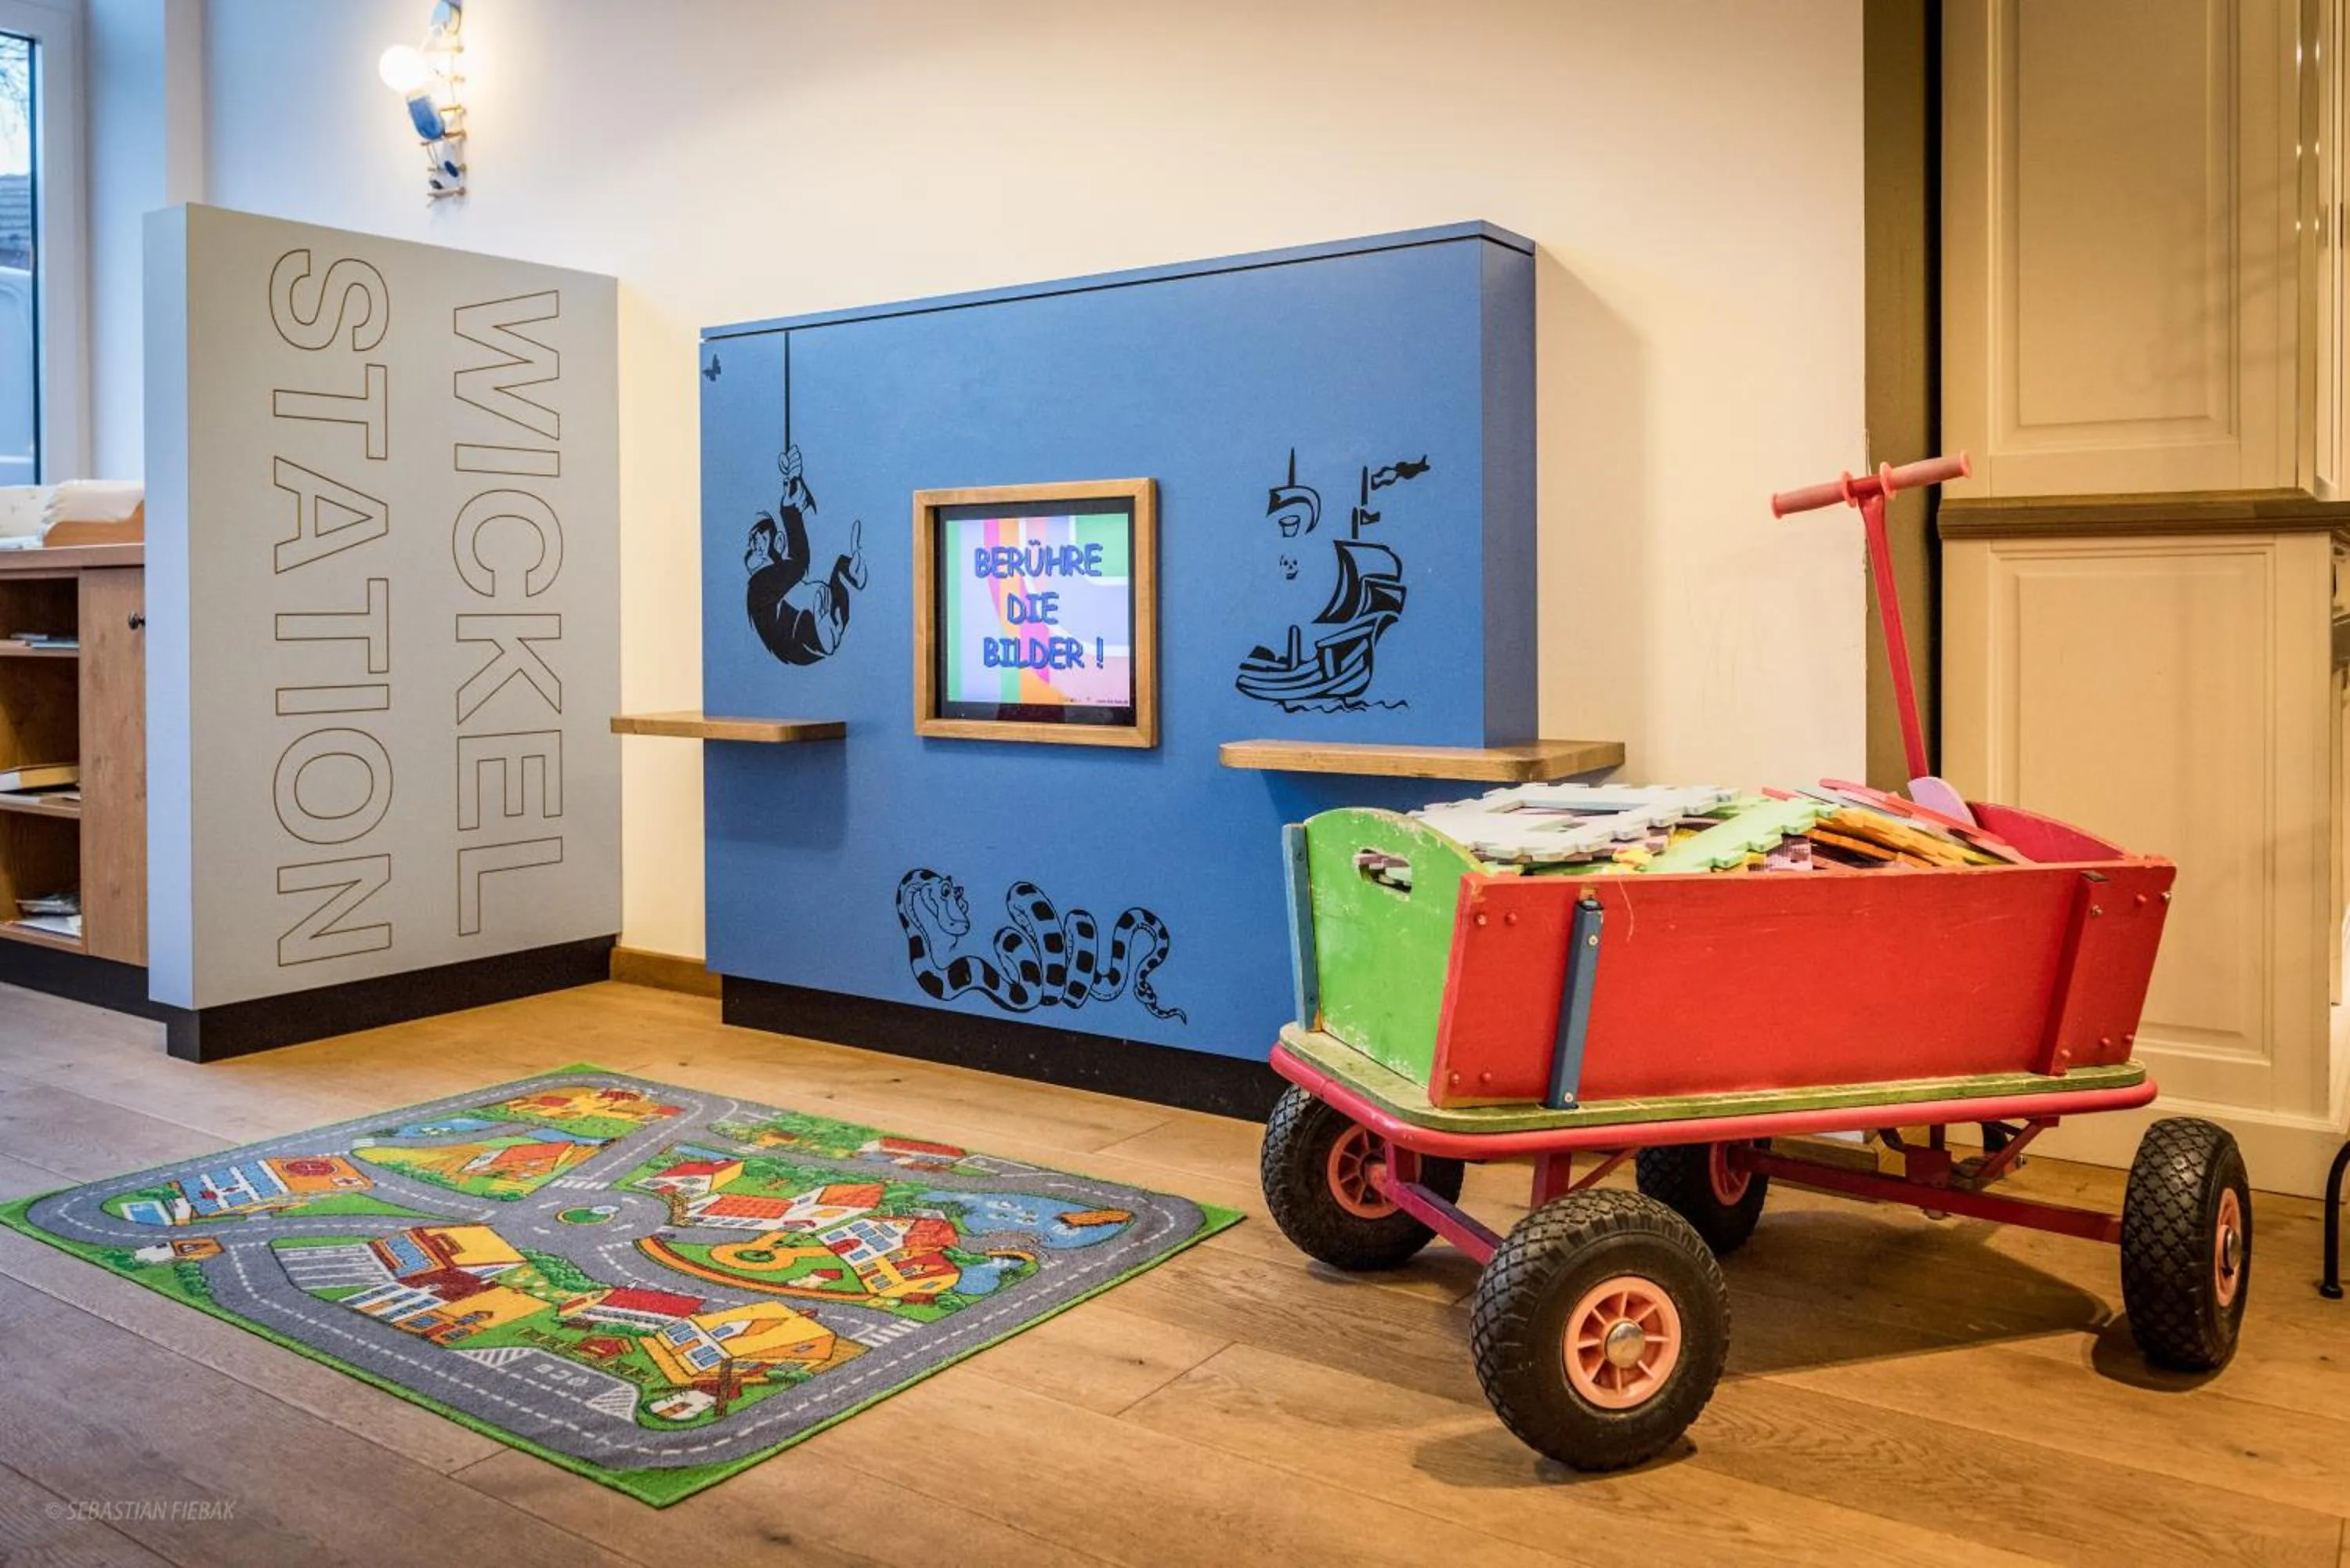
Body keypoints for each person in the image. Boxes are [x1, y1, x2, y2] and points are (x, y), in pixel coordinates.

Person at [744, 445, 866, 664]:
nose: (755, 545)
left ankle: (848, 572)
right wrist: (790, 510)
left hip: (804, 634)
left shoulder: (776, 580)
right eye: (756, 542)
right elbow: (799, 563)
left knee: (833, 579)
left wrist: (791, 500)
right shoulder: (761, 583)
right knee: (815, 592)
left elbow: (796, 562)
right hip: (795, 632)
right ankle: (823, 633)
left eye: (760, 540)